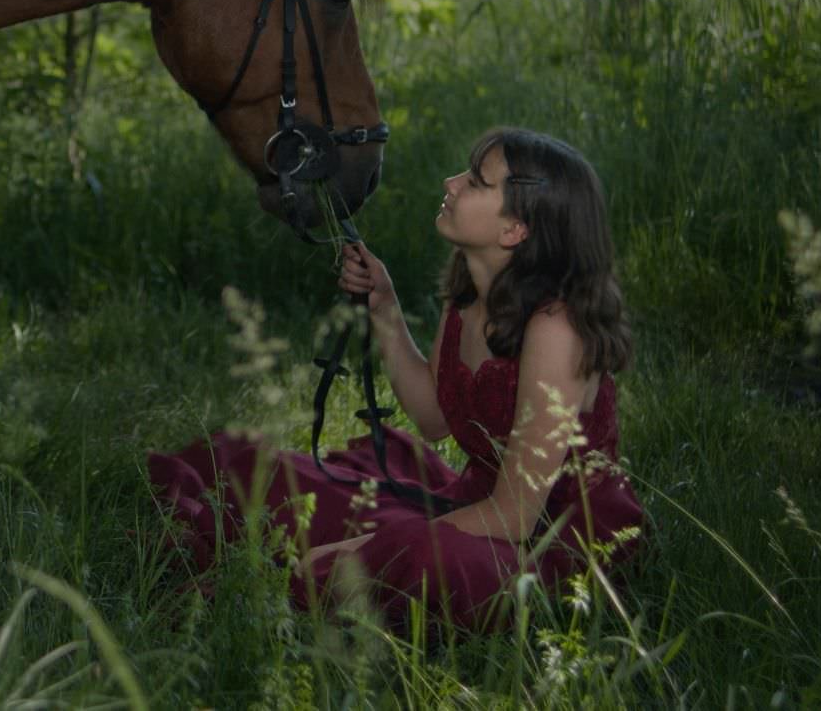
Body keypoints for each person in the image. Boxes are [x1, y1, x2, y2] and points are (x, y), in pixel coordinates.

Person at [147, 127, 642, 631]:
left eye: (475, 180)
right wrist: (385, 308)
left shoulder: (556, 328)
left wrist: (379, 542)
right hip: (479, 504)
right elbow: (433, 418)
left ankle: (285, 594)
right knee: (267, 474)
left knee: (426, 558)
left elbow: (517, 516)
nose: (451, 183)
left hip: (556, 540)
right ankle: (332, 568)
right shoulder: (470, 292)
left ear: (515, 229)